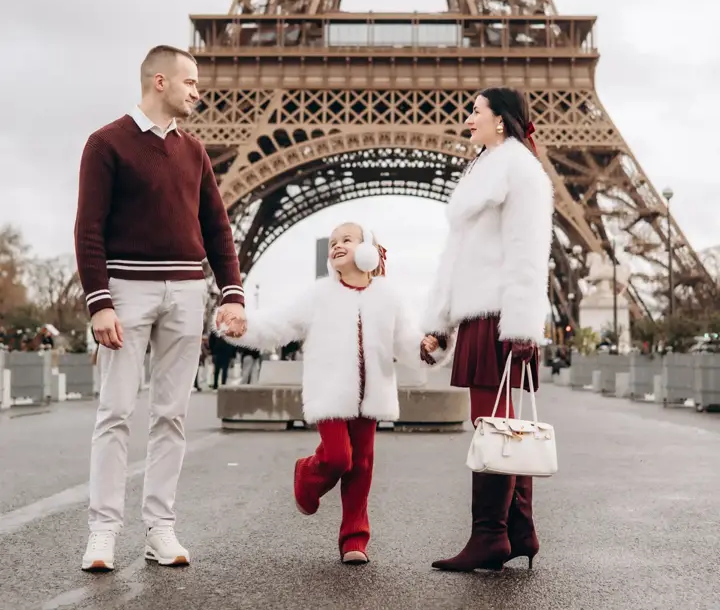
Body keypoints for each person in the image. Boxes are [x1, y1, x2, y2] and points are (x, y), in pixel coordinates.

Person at [74, 44, 247, 573]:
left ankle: (159, 527)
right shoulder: (107, 143)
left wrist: (233, 292)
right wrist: (99, 302)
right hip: (127, 290)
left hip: (187, 292)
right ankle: (103, 532)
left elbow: (217, 227)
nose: (199, 90)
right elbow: (89, 227)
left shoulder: (194, 151)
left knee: (172, 415)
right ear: (159, 82)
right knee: (116, 412)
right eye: (190, 81)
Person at [220, 222, 424, 565]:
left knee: (361, 465)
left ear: (368, 249)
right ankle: (308, 474)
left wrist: (428, 347)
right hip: (330, 392)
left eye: (347, 239)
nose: (337, 245)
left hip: (371, 396)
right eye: (333, 242)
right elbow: (279, 325)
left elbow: (405, 342)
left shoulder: (388, 297)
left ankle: (354, 538)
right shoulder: (319, 296)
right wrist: (244, 326)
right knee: (340, 457)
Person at [421, 87, 553, 572]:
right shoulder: (482, 170)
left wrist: (521, 327)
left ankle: (490, 535)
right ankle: (519, 529)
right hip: (481, 316)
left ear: (501, 120)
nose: (467, 117)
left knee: (492, 425)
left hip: (501, 318)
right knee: (502, 426)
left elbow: (527, 252)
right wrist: (439, 324)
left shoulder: (520, 171)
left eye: (475, 110)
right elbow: (455, 258)